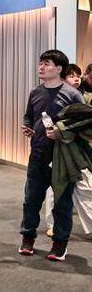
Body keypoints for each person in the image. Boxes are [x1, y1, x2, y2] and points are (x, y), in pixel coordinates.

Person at [19, 50, 84, 261]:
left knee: (62, 203)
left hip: (62, 157)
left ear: (59, 68)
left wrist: (61, 133)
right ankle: (27, 238)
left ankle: (60, 244)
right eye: (40, 63)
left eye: (46, 63)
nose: (41, 67)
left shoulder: (72, 94)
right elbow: (29, 117)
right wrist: (28, 127)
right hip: (38, 154)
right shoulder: (35, 92)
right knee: (31, 200)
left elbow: (82, 125)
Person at [44, 63, 92, 240]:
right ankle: (52, 225)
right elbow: (48, 120)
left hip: (79, 148)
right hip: (57, 148)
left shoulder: (83, 96)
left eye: (78, 76)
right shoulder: (55, 97)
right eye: (72, 76)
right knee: (56, 187)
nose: (76, 79)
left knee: (85, 188)